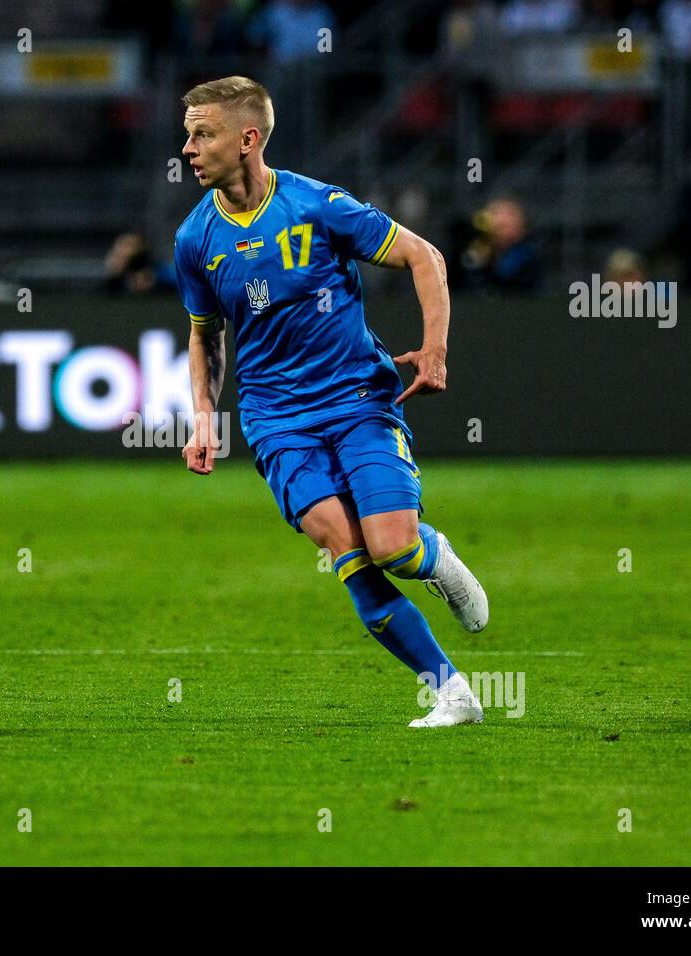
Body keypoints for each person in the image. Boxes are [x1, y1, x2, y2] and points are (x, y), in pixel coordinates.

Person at [174, 76, 489, 729]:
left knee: (394, 550)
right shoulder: (194, 239)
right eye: (189, 134)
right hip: (276, 419)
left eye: (203, 133)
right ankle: (453, 692)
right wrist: (204, 418)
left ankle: (436, 555)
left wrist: (435, 352)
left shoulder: (318, 206)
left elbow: (425, 257)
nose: (188, 148)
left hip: (356, 399)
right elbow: (205, 335)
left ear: (247, 139)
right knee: (348, 554)